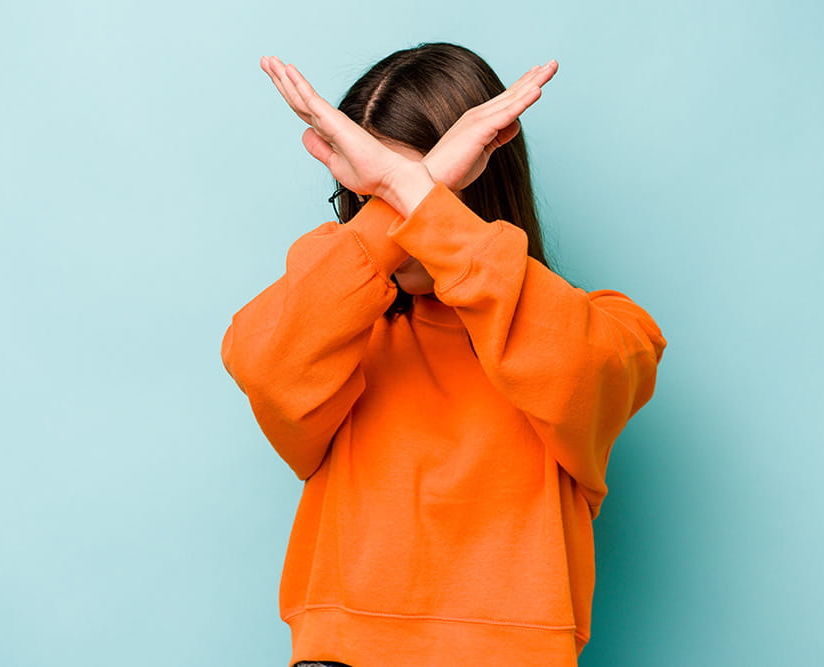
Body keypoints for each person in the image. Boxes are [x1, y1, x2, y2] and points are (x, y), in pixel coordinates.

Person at [221, 42, 667, 667]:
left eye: (426, 186)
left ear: (484, 181)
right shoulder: (336, 326)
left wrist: (413, 195)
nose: (393, 213)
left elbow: (579, 369)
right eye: (369, 192)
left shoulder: (606, 327)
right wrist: (408, 196)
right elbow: (261, 362)